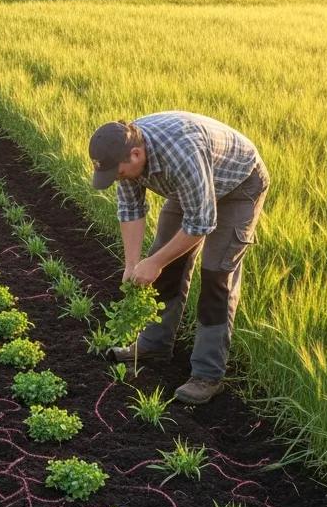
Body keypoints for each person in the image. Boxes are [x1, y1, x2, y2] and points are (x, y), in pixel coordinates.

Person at [88, 111, 270, 404]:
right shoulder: (124, 155)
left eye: (118, 173)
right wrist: (133, 264)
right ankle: (154, 345)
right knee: (165, 261)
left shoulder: (181, 153)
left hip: (238, 185)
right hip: (192, 185)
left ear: (136, 155)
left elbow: (201, 224)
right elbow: (130, 210)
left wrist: (155, 262)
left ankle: (207, 375)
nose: (117, 178)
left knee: (215, 275)